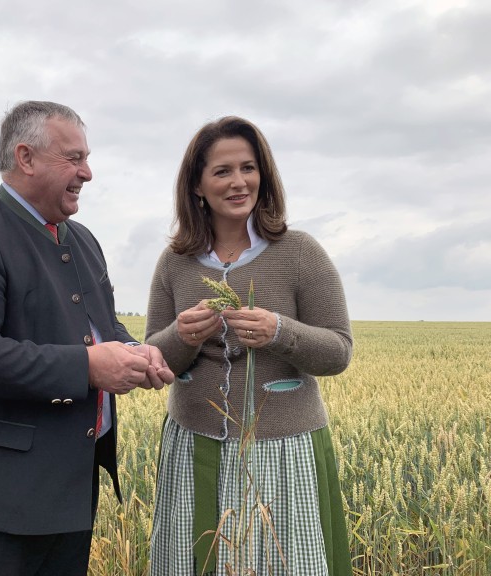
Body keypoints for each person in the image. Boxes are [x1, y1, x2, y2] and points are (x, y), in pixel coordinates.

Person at [0, 100, 174, 576]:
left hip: (70, 493)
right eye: (73, 158)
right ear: (26, 157)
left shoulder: (83, 240)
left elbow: (101, 329)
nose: (88, 172)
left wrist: (136, 351)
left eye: (87, 157)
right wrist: (90, 366)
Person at [145, 116, 354, 576]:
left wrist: (280, 331)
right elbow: (152, 362)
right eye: (222, 171)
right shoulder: (175, 262)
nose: (239, 182)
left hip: (283, 450)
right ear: (197, 186)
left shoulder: (300, 252)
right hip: (196, 448)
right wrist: (182, 335)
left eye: (249, 168)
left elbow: (339, 351)